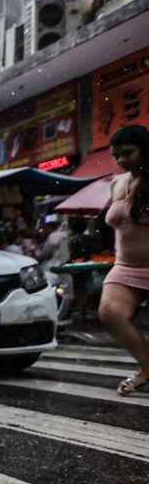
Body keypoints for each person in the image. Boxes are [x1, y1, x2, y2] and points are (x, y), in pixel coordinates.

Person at [99, 125, 149, 396]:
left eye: (128, 153)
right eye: (116, 155)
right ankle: (147, 367)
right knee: (110, 313)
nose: (121, 161)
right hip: (126, 266)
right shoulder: (117, 183)